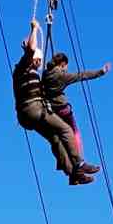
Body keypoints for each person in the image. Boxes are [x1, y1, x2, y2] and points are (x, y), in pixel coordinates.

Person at [12, 19, 95, 186]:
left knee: (55, 138)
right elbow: (30, 51)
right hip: (33, 109)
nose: (38, 64)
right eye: (37, 60)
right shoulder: (23, 67)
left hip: (27, 116)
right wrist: (34, 29)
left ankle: (72, 174)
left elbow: (29, 53)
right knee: (65, 129)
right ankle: (79, 163)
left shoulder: (28, 72)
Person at [42, 52, 111, 176]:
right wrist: (101, 72)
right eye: (66, 66)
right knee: (74, 134)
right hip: (63, 110)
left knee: (60, 137)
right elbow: (81, 75)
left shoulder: (46, 74)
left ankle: (63, 162)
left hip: (52, 112)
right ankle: (80, 163)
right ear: (63, 64)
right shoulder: (61, 76)